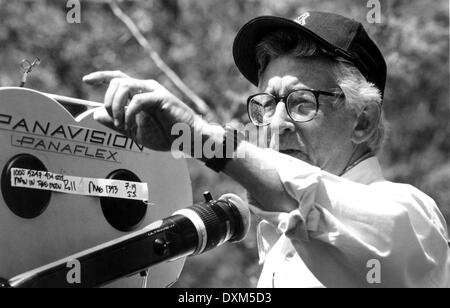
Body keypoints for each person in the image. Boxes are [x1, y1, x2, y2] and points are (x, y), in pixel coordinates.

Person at [83, 11, 450, 288]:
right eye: (266, 104)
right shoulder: (279, 244)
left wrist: (197, 135)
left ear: (363, 121)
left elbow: (310, 199)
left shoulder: (413, 217)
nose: (276, 123)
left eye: (302, 101)